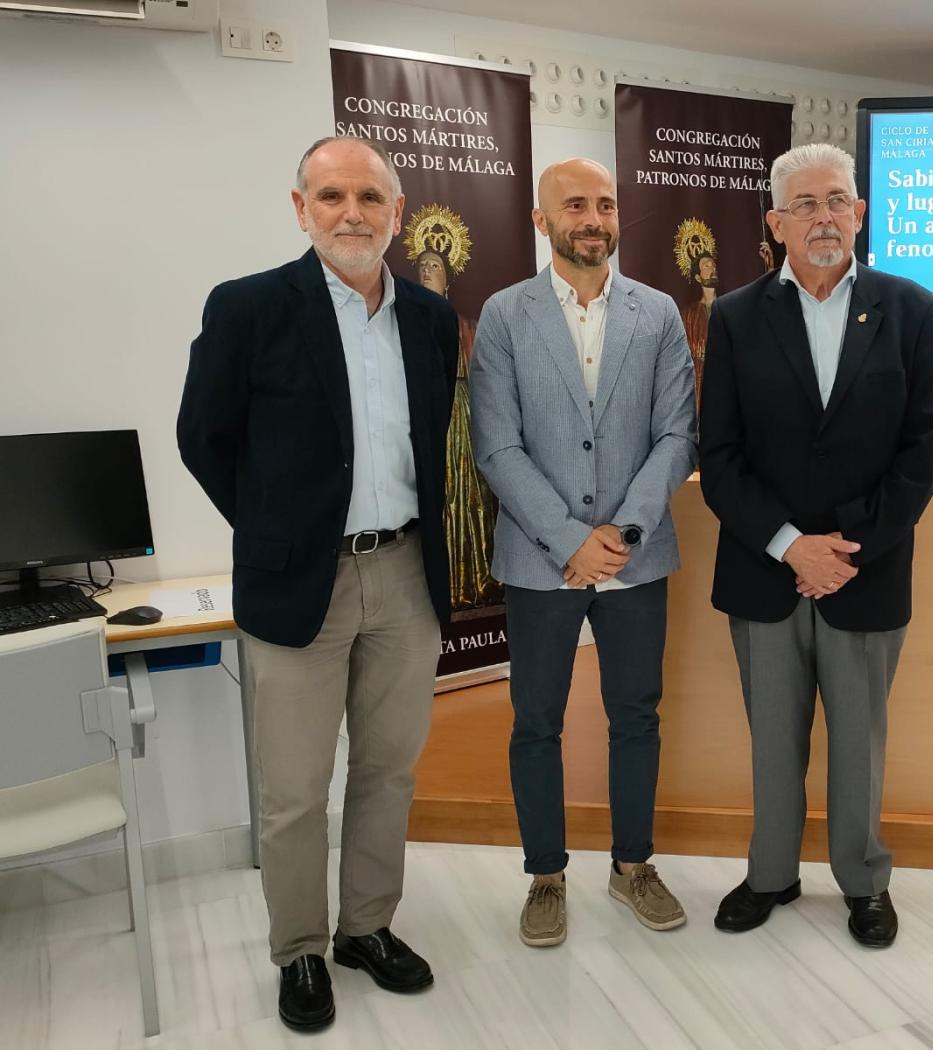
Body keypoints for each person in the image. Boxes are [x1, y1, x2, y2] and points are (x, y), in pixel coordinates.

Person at [177, 136, 456, 1030]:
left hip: (408, 574)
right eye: (331, 196)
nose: (352, 214)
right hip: (300, 583)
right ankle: (299, 949)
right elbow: (202, 439)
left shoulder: (430, 318)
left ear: (398, 215)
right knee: (295, 791)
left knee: (388, 771)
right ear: (300, 209)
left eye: (371, 198)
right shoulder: (250, 308)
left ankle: (365, 927)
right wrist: (273, 532)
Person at [698, 143, 933, 948]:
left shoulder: (914, 310)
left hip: (864, 573)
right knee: (772, 739)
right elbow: (721, 453)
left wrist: (842, 548)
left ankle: (864, 881)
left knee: (859, 742)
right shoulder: (736, 317)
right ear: (774, 223)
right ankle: (770, 874)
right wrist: (788, 546)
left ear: (862, 213)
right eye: (805, 205)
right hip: (764, 569)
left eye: (838, 201)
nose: (824, 218)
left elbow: (925, 449)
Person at [469, 158, 697, 947]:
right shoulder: (504, 316)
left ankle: (633, 864)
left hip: (638, 556)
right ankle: (546, 875)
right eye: (575, 205)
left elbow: (677, 433)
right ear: (543, 221)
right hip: (541, 560)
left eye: (605, 204)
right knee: (537, 720)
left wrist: (623, 534)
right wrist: (571, 540)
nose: (593, 218)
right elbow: (496, 446)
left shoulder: (659, 312)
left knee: (636, 715)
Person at [413, 249, 501, 609]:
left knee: (472, 496)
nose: (429, 271)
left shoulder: (468, 326)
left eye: (436, 266)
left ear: (448, 279)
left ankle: (475, 579)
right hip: (425, 419)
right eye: (423, 266)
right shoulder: (405, 326)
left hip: (465, 416)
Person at [680, 252, 719, 401]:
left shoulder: (729, 307)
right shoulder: (688, 315)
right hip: (699, 385)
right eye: (707, 266)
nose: (712, 269)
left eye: (713, 265)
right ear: (698, 277)